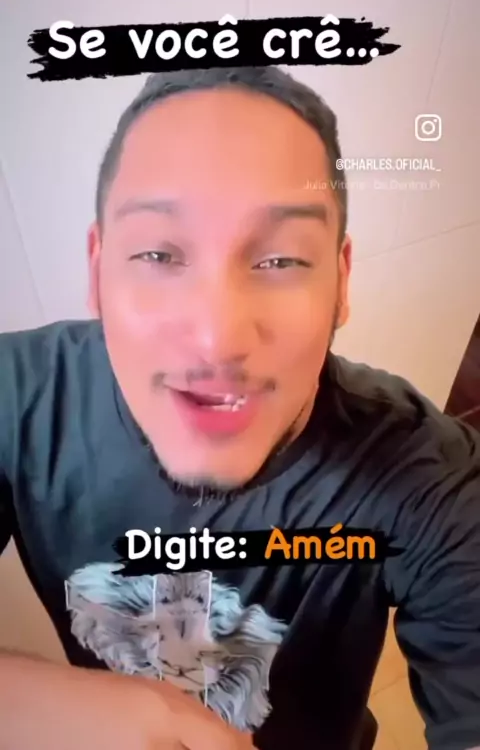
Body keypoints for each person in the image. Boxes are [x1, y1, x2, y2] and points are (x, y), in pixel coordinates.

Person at [0, 66, 479, 750]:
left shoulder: (426, 473)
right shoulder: (18, 394)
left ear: (341, 282)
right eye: (158, 253)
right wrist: (40, 706)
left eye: (280, 261)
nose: (218, 338)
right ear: (98, 270)